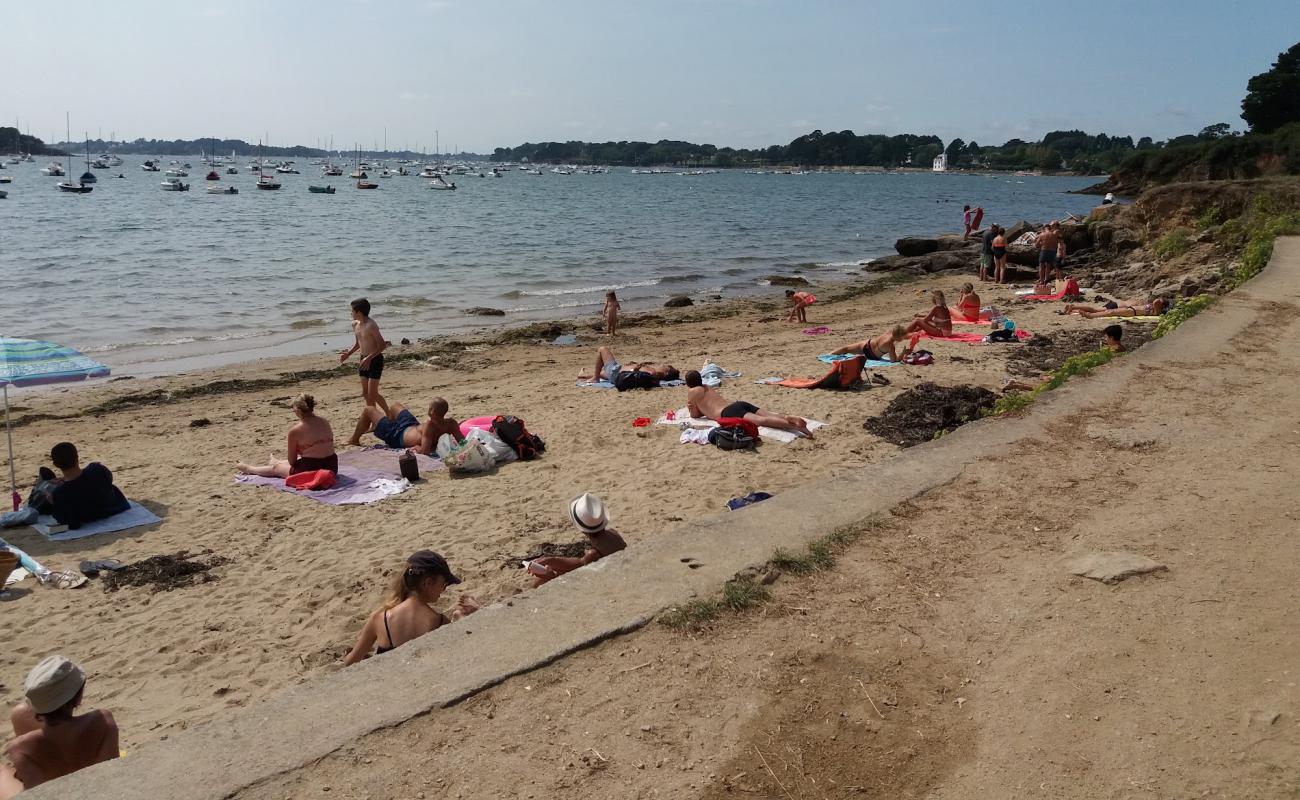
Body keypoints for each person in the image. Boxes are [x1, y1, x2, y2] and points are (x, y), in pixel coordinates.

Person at [1, 656, 118, 795]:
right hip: (100, 792)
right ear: (78, 696)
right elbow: (111, 774)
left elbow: (37, 794)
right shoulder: (103, 721)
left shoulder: (20, 748)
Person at [344, 551, 479, 665]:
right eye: (444, 584)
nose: (444, 589)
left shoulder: (379, 619)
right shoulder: (439, 622)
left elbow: (350, 663)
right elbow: (465, 651)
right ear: (428, 583)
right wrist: (469, 615)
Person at [528, 493, 628, 587]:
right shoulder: (612, 533)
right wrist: (551, 560)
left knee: (548, 576)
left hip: (608, 580)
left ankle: (530, 592)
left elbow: (582, 564)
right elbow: (581, 562)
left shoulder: (593, 554)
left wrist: (551, 575)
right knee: (555, 567)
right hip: (614, 571)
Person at [684, 371, 814, 438]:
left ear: (688, 383)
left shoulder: (692, 392)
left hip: (727, 413)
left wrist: (691, 408)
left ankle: (794, 425)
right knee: (768, 414)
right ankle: (786, 417)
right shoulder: (707, 386)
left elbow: (695, 415)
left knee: (762, 421)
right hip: (738, 404)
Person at [237, 394, 337, 478]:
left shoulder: (296, 430)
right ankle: (277, 461)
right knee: (303, 458)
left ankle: (249, 469)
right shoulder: (324, 421)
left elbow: (292, 461)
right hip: (332, 466)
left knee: (276, 469)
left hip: (311, 470)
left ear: (298, 411)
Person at [39, 444, 129, 530]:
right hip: (114, 506)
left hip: (89, 516)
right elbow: (106, 480)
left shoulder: (60, 494)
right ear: (77, 457)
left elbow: (71, 523)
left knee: (43, 497)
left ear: (56, 465)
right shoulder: (97, 469)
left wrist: (53, 502)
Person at [348, 398, 463, 453]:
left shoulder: (430, 425)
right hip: (412, 425)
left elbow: (424, 451)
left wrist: (417, 448)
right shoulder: (451, 423)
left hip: (396, 436)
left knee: (368, 410)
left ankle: (354, 439)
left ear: (432, 412)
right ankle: (384, 424)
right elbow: (463, 442)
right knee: (394, 406)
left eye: (429, 408)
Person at [339, 298, 389, 415]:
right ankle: (374, 420)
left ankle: (389, 414)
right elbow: (358, 343)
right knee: (365, 393)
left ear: (359, 312)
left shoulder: (371, 325)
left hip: (375, 359)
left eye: (352, 311)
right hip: (363, 360)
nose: (350, 313)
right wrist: (348, 354)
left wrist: (369, 358)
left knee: (373, 393)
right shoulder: (354, 324)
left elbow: (382, 345)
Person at [576, 346, 679, 385]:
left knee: (603, 349)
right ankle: (584, 376)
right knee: (601, 373)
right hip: (616, 375)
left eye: (666, 366)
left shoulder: (652, 372)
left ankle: (595, 378)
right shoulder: (654, 375)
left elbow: (636, 373)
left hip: (616, 371)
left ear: (666, 372)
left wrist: (636, 366)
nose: (663, 365)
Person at [828, 324, 908, 362]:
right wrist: (903, 353)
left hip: (867, 344)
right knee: (847, 349)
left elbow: (898, 334)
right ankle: (829, 355)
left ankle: (828, 355)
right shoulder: (890, 346)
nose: (903, 338)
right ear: (898, 337)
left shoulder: (888, 333)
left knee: (846, 348)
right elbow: (893, 360)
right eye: (902, 337)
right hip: (871, 355)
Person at [1061, 297, 1166, 318]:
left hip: (1132, 311)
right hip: (1130, 310)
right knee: (1109, 311)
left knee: (1110, 312)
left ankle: (1089, 314)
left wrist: (1161, 301)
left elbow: (1157, 301)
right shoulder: (1151, 306)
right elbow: (1156, 301)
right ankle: (1077, 309)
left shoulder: (1156, 311)